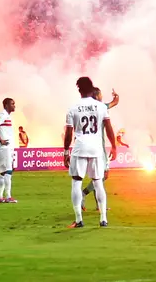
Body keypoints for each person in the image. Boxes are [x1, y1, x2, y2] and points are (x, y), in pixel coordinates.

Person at [65, 77, 116, 228]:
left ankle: (79, 219)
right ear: (92, 88)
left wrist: (65, 152)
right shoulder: (101, 107)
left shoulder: (73, 108)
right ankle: (103, 219)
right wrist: (114, 145)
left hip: (80, 148)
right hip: (96, 149)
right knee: (98, 182)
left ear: (79, 89)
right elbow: (108, 127)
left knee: (76, 182)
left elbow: (68, 133)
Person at [82, 87, 119, 210]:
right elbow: (115, 102)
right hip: (99, 148)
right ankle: (84, 193)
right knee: (104, 175)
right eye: (101, 94)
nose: (102, 96)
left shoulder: (85, 109)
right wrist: (116, 96)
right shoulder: (102, 107)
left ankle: (99, 205)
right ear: (97, 96)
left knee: (97, 176)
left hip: (87, 146)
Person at [0, 98, 19, 203]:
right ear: (6, 105)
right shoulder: (3, 114)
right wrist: (1, 140)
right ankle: (8, 196)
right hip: (5, 148)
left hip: (3, 147)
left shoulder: (6, 115)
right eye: (12, 104)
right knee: (8, 171)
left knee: (3, 172)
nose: (14, 106)